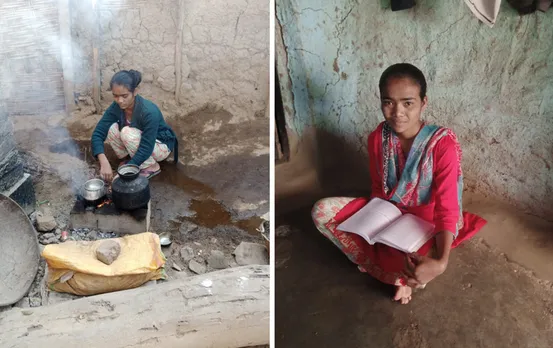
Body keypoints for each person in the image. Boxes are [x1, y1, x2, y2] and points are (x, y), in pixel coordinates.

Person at [311, 63, 487, 305]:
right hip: (389, 211)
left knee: (419, 260)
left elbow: (447, 209)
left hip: (427, 219)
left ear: (423, 103)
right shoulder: (378, 138)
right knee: (321, 212)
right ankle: (392, 271)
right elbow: (378, 189)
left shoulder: (441, 145)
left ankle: (395, 272)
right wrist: (373, 223)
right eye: (388, 102)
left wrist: (442, 262)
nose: (397, 112)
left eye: (408, 103)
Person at [91, 69, 178, 181]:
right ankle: (132, 159)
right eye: (115, 96)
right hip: (139, 141)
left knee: (127, 132)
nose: (120, 100)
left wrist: (125, 171)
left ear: (135, 91)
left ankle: (151, 166)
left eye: (124, 96)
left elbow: (146, 147)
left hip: (160, 145)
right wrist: (103, 161)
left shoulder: (149, 111)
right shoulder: (116, 106)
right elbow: (99, 132)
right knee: (111, 128)